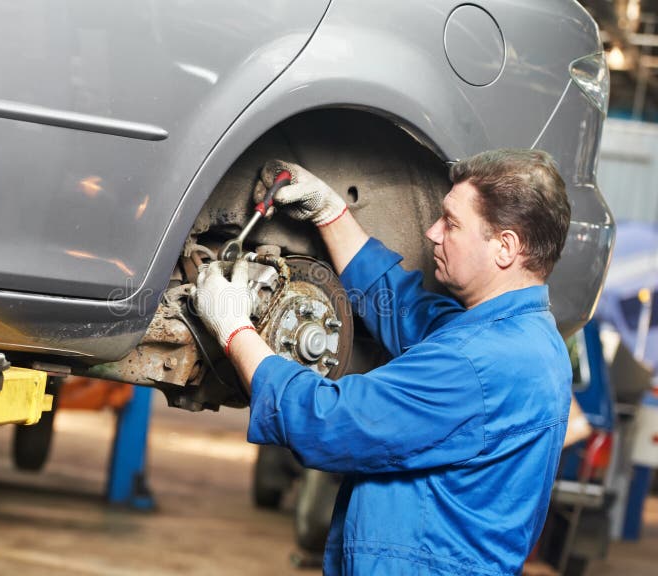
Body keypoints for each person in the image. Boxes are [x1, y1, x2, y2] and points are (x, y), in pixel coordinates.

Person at [193, 149, 573, 575]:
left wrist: (233, 330)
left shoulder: (478, 364)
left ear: (505, 247)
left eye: (451, 223)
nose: (432, 233)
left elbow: (328, 421)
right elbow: (405, 307)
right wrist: (329, 212)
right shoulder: (524, 337)